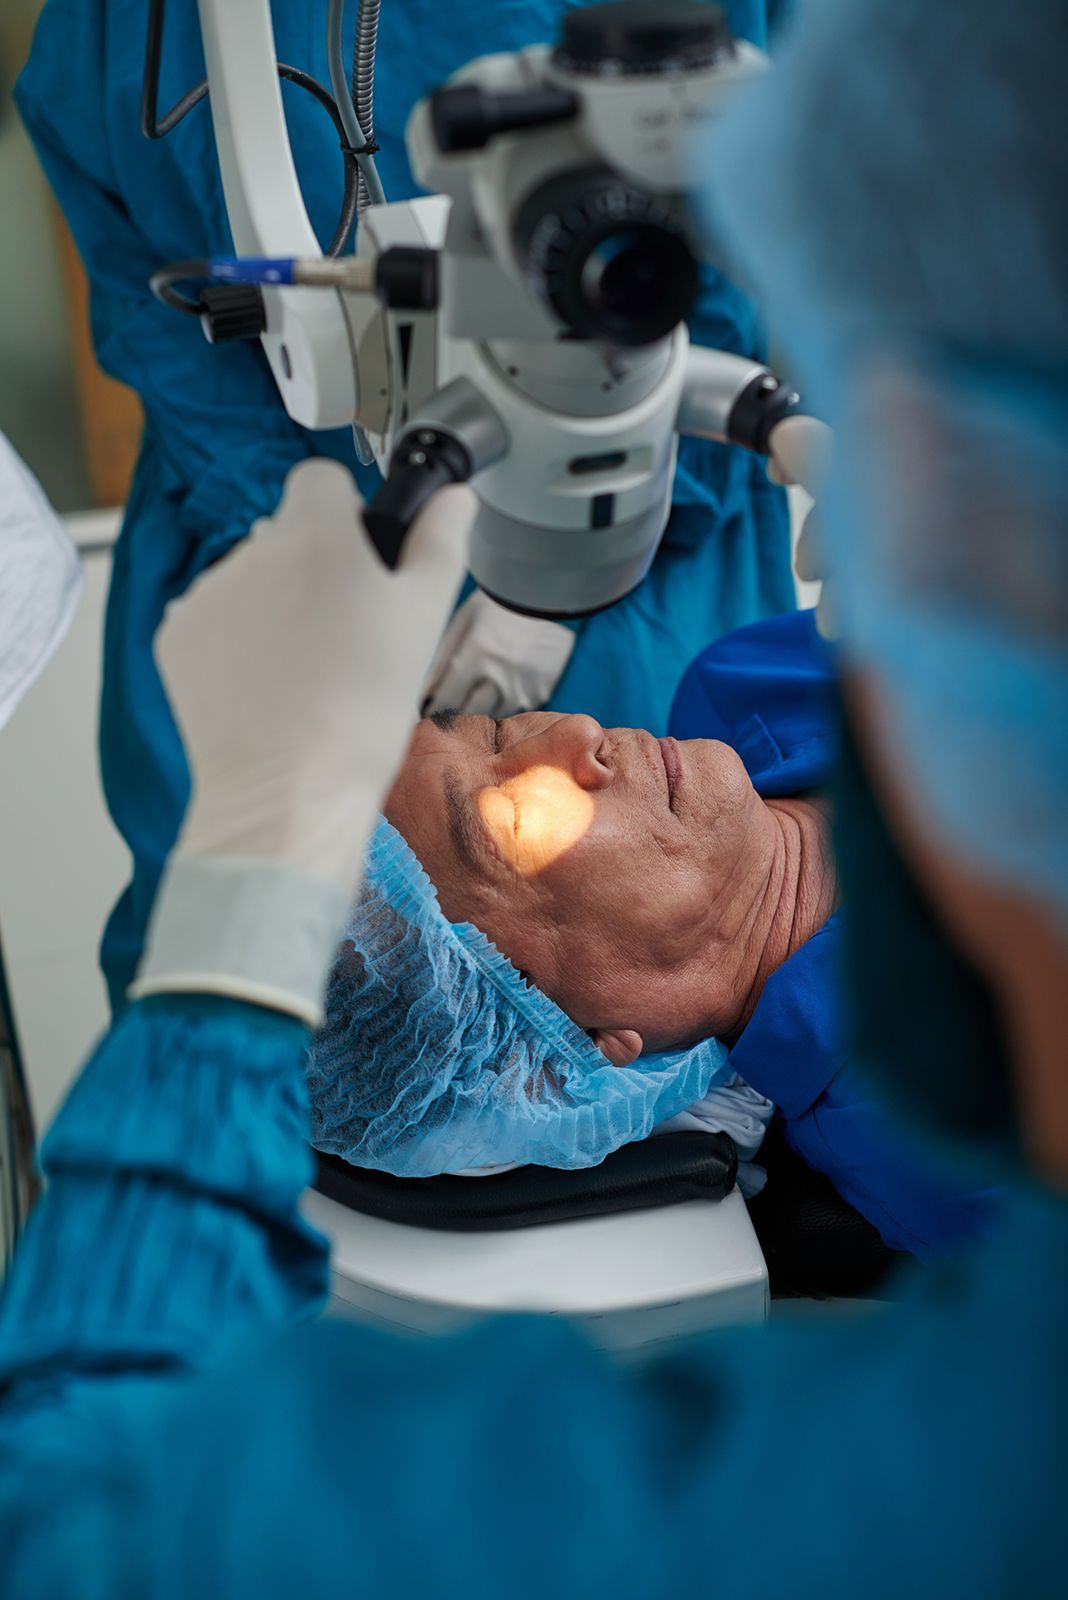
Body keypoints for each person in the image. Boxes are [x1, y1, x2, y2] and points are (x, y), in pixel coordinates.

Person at [1, 2, 1065, 1594]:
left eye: (491, 730)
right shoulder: (940, 1163)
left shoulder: (735, 702)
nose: (565, 738)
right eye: (513, 821)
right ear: (596, 1053)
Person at [14, 0, 798, 1015]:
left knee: (655, 962)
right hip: (260, 525)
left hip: (635, 527)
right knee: (234, 1015)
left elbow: (748, 216)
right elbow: (141, 277)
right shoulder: (130, 26)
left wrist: (553, 577)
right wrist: (291, 538)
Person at [310, 609, 992, 1259]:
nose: (578, 731)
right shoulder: (949, 1141)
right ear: (566, 1038)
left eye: (495, 732)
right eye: (510, 820)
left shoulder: (738, 683)